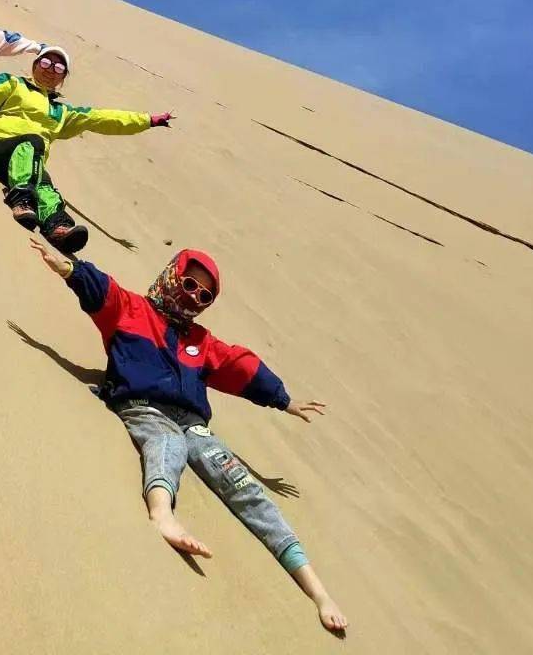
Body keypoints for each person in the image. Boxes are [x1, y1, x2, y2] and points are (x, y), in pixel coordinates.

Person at [29, 239, 348, 637]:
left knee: (241, 483)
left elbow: (241, 367)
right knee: (168, 443)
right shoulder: (133, 311)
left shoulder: (200, 341)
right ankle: (162, 515)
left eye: (205, 295)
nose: (195, 296)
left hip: (193, 422)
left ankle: (317, 590)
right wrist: (70, 270)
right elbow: (103, 291)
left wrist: (284, 400)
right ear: (172, 276)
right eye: (190, 284)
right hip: (143, 406)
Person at [0, 46, 173, 252]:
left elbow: (101, 118)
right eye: (45, 62)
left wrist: (147, 120)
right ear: (34, 65)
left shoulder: (62, 112)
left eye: (58, 67)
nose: (50, 69)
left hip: (24, 166)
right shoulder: (13, 84)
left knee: (44, 183)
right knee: (32, 142)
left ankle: (58, 227)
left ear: (63, 78)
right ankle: (21, 199)